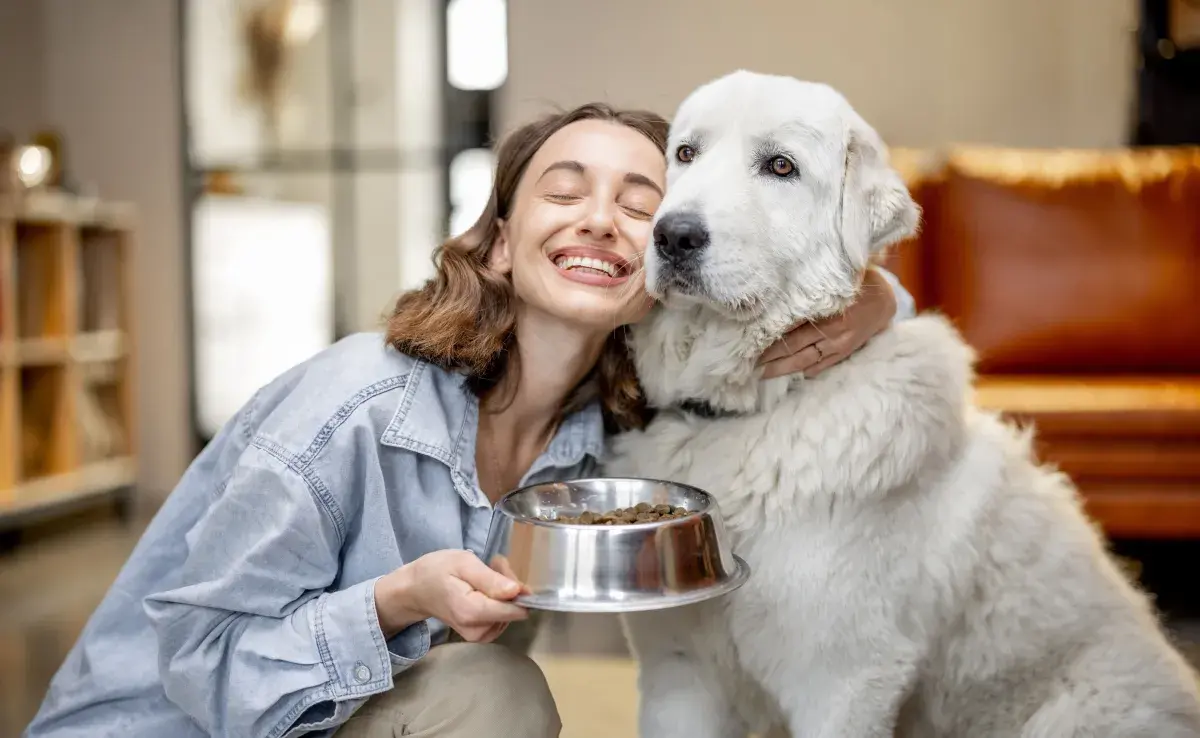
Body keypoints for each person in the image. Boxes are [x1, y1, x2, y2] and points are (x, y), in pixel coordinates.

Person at [24, 103, 915, 738]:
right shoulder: (356, 404)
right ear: (496, 241)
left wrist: (877, 295)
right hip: (167, 723)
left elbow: (777, 294)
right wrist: (397, 599)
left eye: (641, 208)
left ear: (666, 267)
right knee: (497, 697)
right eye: (565, 192)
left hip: (332, 721)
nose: (603, 221)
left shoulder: (609, 435)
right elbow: (200, 658)